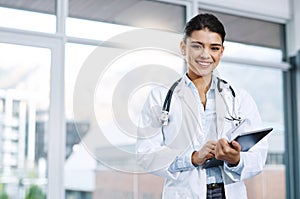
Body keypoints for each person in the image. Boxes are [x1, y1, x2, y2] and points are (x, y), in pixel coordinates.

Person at [136, 13, 268, 199]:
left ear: (221, 52)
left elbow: (259, 156)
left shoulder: (239, 98)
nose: (205, 55)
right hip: (185, 192)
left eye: (214, 48)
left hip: (228, 191)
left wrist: (235, 159)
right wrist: (193, 158)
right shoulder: (160, 98)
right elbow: (146, 154)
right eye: (197, 46)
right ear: (183, 47)